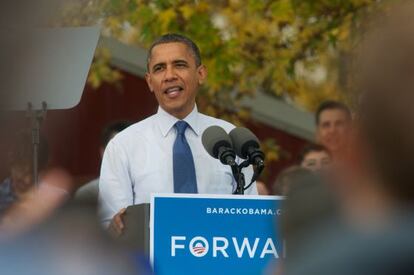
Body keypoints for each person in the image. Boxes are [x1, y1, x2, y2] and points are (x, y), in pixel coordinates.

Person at [99, 34, 257, 232]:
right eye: (159, 68)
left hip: (218, 260)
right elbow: (110, 225)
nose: (169, 75)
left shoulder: (230, 138)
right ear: (149, 81)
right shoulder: (123, 146)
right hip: (149, 261)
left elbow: (252, 219)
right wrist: (115, 227)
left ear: (201, 74)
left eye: (179, 65)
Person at [75, 121, 131, 203]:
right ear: (103, 152)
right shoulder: (89, 193)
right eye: (117, 149)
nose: (124, 155)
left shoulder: (148, 187)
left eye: (129, 148)